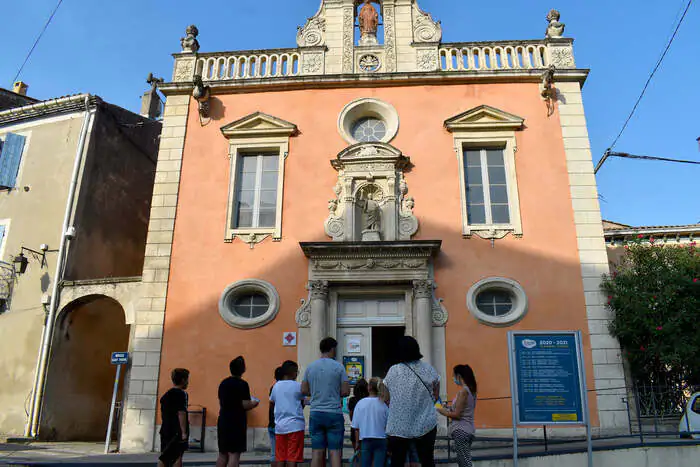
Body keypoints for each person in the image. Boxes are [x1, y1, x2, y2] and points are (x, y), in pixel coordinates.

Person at [383, 336, 440, 467]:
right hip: (425, 424)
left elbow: (386, 398)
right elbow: (436, 396)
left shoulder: (393, 370)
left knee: (397, 461)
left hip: (399, 426)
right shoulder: (429, 369)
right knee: (427, 461)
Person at [301, 337, 351, 467]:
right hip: (334, 413)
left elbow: (304, 390)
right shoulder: (339, 367)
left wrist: (317, 392)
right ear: (332, 349)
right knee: (335, 453)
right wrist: (334, 392)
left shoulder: (310, 367)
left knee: (317, 452)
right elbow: (346, 391)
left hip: (316, 412)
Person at [216, 357, 259, 467]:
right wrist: (254, 403)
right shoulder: (242, 384)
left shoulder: (223, 383)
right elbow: (245, 404)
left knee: (222, 453)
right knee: (234, 454)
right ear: (243, 369)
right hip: (236, 421)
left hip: (223, 419)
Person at [437, 365, 477, 467]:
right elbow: (462, 409)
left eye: (453, 376)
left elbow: (457, 415)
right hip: (467, 429)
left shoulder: (463, 391)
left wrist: (441, 411)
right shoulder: (471, 390)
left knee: (464, 462)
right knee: (463, 460)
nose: (453, 378)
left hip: (461, 430)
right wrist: (448, 407)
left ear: (459, 376)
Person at [271, 361, 306, 467]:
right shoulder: (297, 386)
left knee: (280, 457)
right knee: (292, 457)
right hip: (295, 425)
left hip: (280, 426)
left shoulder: (276, 386)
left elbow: (272, 402)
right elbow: (304, 400)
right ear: (293, 372)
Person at [352, 378, 389, 467]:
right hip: (381, 439)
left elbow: (356, 427)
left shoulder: (360, 403)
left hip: (366, 439)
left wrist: (357, 442)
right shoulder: (383, 404)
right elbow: (387, 426)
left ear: (368, 388)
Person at [159, 368, 190, 467]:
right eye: (187, 379)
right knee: (176, 457)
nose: (188, 382)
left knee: (165, 456)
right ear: (183, 380)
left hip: (165, 429)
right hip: (176, 431)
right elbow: (181, 413)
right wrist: (184, 432)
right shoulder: (181, 394)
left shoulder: (166, 395)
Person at [349, 379, 370, 455]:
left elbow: (351, 417)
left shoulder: (352, 400)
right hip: (367, 429)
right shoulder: (370, 400)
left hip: (355, 430)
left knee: (357, 454)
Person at [269, 367, 284, 467]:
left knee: (274, 453)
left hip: (272, 423)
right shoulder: (283, 388)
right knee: (282, 454)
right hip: (280, 423)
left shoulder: (273, 387)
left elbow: (271, 404)